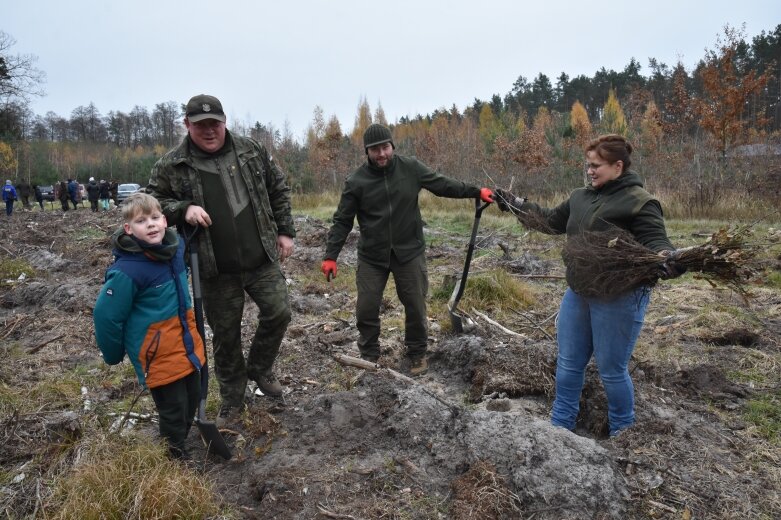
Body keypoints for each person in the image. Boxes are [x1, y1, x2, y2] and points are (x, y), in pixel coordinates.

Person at [494, 134, 686, 437]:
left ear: (618, 166)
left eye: (596, 166)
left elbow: (656, 243)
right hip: (579, 292)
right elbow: (549, 221)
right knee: (569, 363)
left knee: (611, 371)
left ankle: (623, 433)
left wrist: (667, 258)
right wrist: (515, 204)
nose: (590, 171)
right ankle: (560, 428)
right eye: (588, 165)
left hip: (619, 297)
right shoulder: (580, 197)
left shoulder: (640, 202)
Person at [147, 94, 295, 418]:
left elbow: (278, 187)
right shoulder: (173, 164)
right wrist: (183, 209)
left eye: (215, 123)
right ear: (187, 125)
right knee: (225, 336)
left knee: (279, 311)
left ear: (225, 120)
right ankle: (233, 398)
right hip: (214, 267)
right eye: (201, 125)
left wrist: (285, 231)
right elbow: (152, 202)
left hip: (261, 258)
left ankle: (260, 367)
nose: (209, 130)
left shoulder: (251, 151)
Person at [322, 123, 494, 376]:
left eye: (385, 147)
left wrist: (475, 191)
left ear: (392, 146)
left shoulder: (410, 168)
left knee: (415, 304)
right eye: (374, 150)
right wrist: (330, 255)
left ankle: (416, 353)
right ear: (366, 152)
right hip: (372, 255)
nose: (381, 154)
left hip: (409, 250)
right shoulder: (356, 181)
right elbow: (342, 221)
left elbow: (442, 184)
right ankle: (369, 356)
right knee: (366, 307)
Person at [93, 192, 206, 459]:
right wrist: (112, 354)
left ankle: (180, 440)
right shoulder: (127, 271)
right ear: (129, 229)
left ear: (165, 221)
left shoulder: (175, 250)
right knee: (173, 408)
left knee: (192, 398)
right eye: (142, 221)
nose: (152, 224)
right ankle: (173, 457)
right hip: (157, 354)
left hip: (186, 343)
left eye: (155, 218)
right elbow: (105, 315)